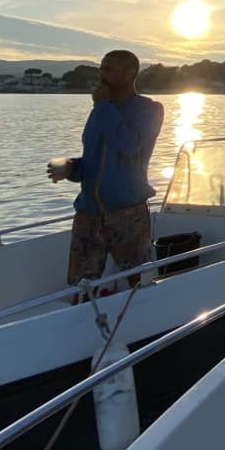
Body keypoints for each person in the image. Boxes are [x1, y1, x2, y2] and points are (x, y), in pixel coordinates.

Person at [48, 50, 165, 301]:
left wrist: (102, 106)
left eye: (109, 69)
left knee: (139, 283)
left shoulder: (149, 110)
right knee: (81, 287)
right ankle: (83, 322)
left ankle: (145, 320)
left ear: (130, 73)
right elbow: (93, 162)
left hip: (127, 213)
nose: (102, 74)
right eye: (101, 68)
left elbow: (129, 145)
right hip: (88, 213)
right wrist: (71, 168)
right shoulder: (100, 112)